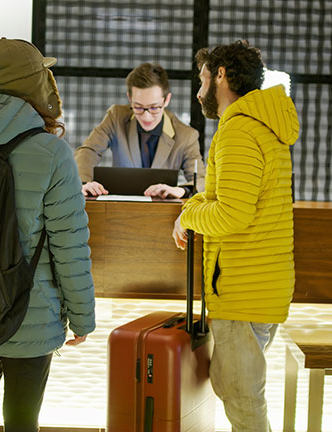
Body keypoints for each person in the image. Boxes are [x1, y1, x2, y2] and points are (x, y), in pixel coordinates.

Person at [0, 38, 95, 432]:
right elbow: (69, 246)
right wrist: (83, 317)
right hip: (31, 311)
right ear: (34, 83)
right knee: (23, 420)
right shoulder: (50, 151)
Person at [171, 41, 300, 431]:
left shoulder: (240, 130)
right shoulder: (262, 123)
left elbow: (232, 214)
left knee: (243, 401)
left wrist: (189, 213)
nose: (198, 91)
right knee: (237, 390)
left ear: (222, 75)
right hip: (256, 286)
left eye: (203, 79)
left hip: (244, 290)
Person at [74, 62, 205, 198]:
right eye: (138, 107)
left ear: (166, 100)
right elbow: (89, 151)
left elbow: (201, 180)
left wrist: (182, 190)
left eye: (154, 108)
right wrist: (84, 183)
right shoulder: (116, 117)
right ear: (130, 99)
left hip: (162, 212)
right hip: (120, 207)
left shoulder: (186, 136)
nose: (146, 116)